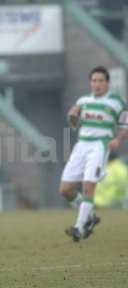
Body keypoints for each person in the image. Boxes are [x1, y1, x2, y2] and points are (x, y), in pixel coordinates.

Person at [59, 66, 128, 242]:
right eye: (94, 81)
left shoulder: (118, 102)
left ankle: (79, 227)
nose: (97, 84)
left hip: (99, 146)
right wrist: (73, 116)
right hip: (81, 145)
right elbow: (74, 125)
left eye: (100, 81)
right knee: (65, 189)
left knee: (88, 186)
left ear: (107, 83)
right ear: (90, 82)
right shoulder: (83, 101)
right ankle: (91, 217)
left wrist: (118, 140)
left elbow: (125, 126)